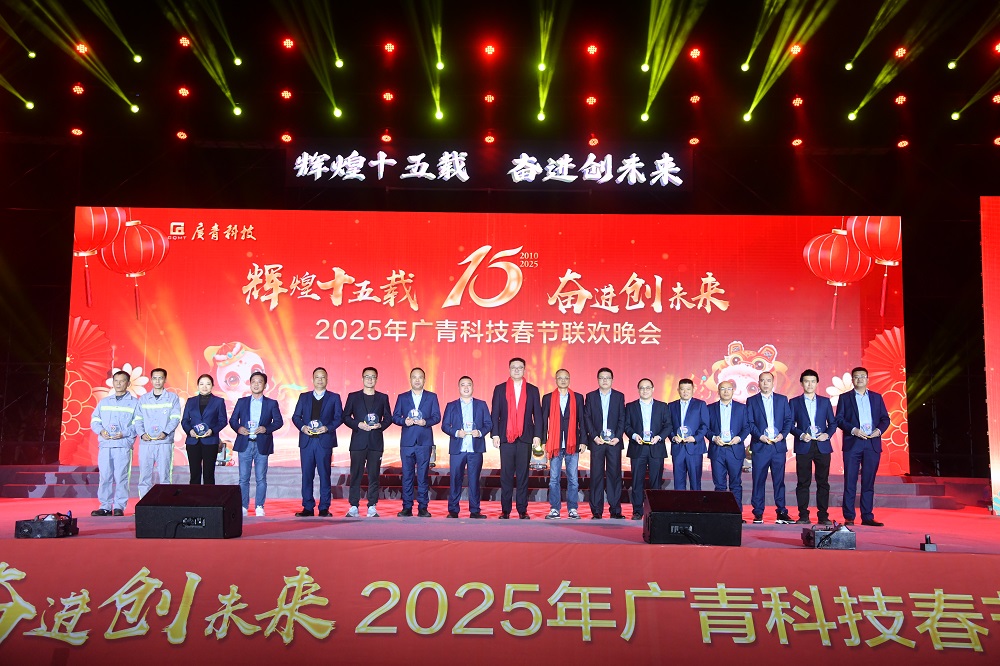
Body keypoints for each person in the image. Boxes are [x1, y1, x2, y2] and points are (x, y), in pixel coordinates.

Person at [836, 366, 891, 526]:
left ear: (867, 379)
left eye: (862, 376)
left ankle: (867, 516)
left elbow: (885, 419)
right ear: (852, 380)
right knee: (850, 481)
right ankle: (849, 517)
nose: (859, 379)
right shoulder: (845, 398)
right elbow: (839, 419)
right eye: (856, 377)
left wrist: (878, 431)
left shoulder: (876, 397)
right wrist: (853, 430)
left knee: (868, 481)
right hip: (853, 443)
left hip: (872, 444)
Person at [491, 357, 543, 519]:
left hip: (525, 437)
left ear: (524, 370)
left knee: (523, 475)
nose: (516, 370)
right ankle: (505, 510)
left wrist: (538, 435)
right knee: (506, 475)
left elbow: (538, 415)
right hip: (506, 437)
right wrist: (495, 434)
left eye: (520, 367)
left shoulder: (532, 390)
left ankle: (522, 509)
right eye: (513, 367)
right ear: (509, 369)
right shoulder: (500, 389)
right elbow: (495, 413)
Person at [229, 371, 284, 517]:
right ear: (250, 384)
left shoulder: (271, 403)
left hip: (262, 444)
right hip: (245, 443)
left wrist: (266, 429)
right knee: (243, 478)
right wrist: (239, 428)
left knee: (261, 478)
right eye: (253, 381)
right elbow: (233, 420)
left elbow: (279, 422)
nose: (256, 384)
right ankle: (243, 506)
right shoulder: (242, 402)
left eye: (259, 382)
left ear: (265, 385)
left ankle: (259, 506)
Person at [291, 367, 343, 517]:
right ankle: (308, 507)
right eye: (317, 377)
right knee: (307, 475)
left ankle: (324, 507)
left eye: (323, 377)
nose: (320, 380)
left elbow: (339, 418)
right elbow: (296, 417)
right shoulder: (304, 397)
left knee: (324, 475)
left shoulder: (334, 397)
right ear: (312, 380)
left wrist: (327, 428)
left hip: (324, 442)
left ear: (327, 379)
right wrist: (303, 428)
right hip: (307, 442)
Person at [790, 369, 838, 525]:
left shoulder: (825, 402)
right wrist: (800, 434)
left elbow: (832, 423)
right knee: (803, 482)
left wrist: (827, 435)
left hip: (822, 446)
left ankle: (823, 515)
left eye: (812, 381)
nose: (809, 384)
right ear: (801, 383)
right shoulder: (794, 402)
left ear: (817, 383)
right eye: (806, 381)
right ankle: (803, 515)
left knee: (823, 482)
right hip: (804, 445)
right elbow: (790, 425)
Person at [343, 367, 392, 518]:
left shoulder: (382, 398)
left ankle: (372, 506)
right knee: (355, 475)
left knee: (374, 475)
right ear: (362, 378)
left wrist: (380, 426)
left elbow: (388, 418)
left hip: (375, 442)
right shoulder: (353, 396)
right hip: (358, 442)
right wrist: (358, 424)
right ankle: (353, 506)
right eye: (367, 376)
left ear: (376, 379)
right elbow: (345, 417)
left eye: (373, 377)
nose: (370, 379)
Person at [392, 367, 442, 517]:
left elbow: (437, 417)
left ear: (424, 380)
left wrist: (425, 422)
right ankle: (407, 507)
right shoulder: (402, 397)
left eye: (420, 377)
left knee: (422, 476)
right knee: (407, 476)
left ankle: (423, 507)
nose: (417, 380)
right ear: (410, 379)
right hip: (407, 442)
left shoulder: (431, 397)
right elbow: (395, 417)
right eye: (414, 377)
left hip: (424, 442)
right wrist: (404, 421)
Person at [441, 376, 492, 519]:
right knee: (455, 479)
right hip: (458, 449)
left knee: (474, 480)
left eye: (468, 384)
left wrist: (480, 432)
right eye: (463, 385)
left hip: (475, 449)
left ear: (473, 387)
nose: (466, 387)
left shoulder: (481, 405)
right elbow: (445, 426)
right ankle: (453, 510)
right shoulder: (451, 405)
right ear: (458, 388)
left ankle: (475, 510)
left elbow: (488, 424)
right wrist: (456, 432)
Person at [747, 371, 794, 524]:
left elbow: (788, 420)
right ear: (758, 383)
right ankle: (758, 512)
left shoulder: (782, 399)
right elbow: (750, 422)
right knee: (758, 480)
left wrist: (782, 435)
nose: (765, 383)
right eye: (762, 380)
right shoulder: (752, 401)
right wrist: (759, 436)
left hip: (778, 446)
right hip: (761, 445)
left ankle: (781, 512)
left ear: (773, 382)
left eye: (768, 380)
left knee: (779, 481)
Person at [90, 370, 139, 516]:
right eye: (116, 381)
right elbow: (95, 420)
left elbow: (138, 424)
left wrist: (124, 433)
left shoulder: (135, 403)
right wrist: (101, 431)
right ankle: (105, 506)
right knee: (105, 476)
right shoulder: (104, 402)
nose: (118, 384)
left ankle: (119, 506)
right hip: (106, 444)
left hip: (122, 444)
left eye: (122, 381)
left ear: (128, 383)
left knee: (121, 476)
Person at [541, 369, 586, 520]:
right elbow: (543, 421)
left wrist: (583, 441)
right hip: (555, 444)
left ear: (569, 379)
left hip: (572, 444)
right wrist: (543, 441)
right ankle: (555, 509)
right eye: (560, 378)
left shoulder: (577, 397)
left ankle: (572, 508)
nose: (563, 380)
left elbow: (582, 420)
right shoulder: (548, 398)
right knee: (554, 479)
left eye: (566, 378)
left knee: (573, 479)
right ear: (555, 379)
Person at [625, 378, 672, 520]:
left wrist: (659, 437)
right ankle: (637, 511)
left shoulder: (662, 406)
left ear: (653, 389)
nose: (645, 390)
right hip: (637, 447)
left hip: (656, 447)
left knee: (655, 482)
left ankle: (654, 511)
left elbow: (668, 426)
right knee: (636, 481)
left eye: (647, 387)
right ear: (638, 390)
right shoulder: (630, 406)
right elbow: (626, 425)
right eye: (642, 388)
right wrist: (634, 436)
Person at [583, 367, 626, 519]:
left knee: (614, 476)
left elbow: (622, 418)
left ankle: (615, 510)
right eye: (602, 378)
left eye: (607, 378)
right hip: (597, 442)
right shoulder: (591, 396)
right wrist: (594, 436)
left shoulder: (619, 396)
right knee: (596, 476)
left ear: (612, 380)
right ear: (598, 380)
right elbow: (587, 417)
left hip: (614, 443)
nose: (605, 380)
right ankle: (596, 510)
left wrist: (618, 437)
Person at [133, 367, 182, 498]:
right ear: (151, 380)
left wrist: (165, 432)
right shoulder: (143, 399)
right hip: (146, 443)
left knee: (165, 476)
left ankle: (165, 503)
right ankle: (144, 503)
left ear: (165, 380)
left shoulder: (172, 398)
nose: (157, 381)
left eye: (160, 378)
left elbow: (175, 418)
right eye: (155, 378)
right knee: (144, 476)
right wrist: (142, 434)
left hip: (164, 442)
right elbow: (138, 419)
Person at [706, 380, 750, 507]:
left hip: (734, 450)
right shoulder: (710, 408)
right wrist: (713, 438)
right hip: (717, 449)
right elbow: (705, 428)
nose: (726, 391)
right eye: (723, 389)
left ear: (733, 391)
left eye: (729, 389)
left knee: (735, 484)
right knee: (719, 484)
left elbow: (747, 427)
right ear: (718, 391)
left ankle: (736, 513)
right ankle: (721, 513)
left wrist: (739, 438)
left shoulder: (742, 408)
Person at [181, 374, 228, 486]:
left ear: (212, 385)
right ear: (197, 386)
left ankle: (209, 497)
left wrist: (212, 430)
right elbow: (185, 420)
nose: (204, 387)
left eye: (208, 384)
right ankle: (194, 496)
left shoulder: (219, 401)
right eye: (201, 384)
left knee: (209, 474)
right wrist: (190, 431)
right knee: (194, 474)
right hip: (193, 441)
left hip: (210, 441)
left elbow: (223, 421)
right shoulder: (190, 401)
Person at [667, 378, 709, 491]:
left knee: (695, 483)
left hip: (694, 448)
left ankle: (695, 503)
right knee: (678, 483)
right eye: (682, 389)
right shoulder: (671, 406)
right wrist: (673, 437)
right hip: (678, 448)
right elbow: (668, 425)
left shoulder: (700, 404)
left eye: (688, 389)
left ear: (693, 390)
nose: (685, 392)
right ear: (678, 390)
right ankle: (680, 503)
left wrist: (695, 438)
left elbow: (705, 425)